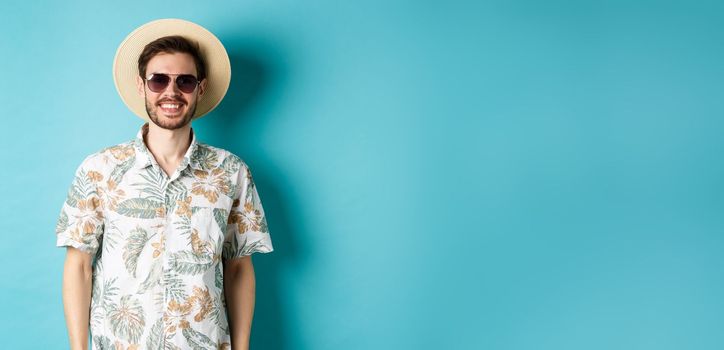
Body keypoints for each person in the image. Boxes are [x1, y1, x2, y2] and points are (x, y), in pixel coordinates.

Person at [55, 18, 274, 350]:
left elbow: (240, 267)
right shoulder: (99, 169)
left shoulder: (231, 172)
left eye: (184, 81)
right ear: (142, 86)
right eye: (159, 80)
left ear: (200, 88)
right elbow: (79, 266)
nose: (171, 92)